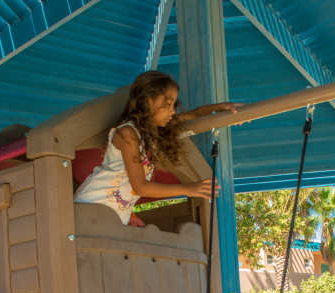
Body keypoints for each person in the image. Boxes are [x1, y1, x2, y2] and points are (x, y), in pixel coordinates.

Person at [73, 70, 239, 226]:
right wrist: (189, 189)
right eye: (167, 105)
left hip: (112, 217)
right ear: (148, 101)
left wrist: (222, 109)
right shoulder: (128, 134)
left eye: (174, 105)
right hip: (91, 204)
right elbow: (140, 186)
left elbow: (192, 115)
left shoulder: (150, 135)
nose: (172, 111)